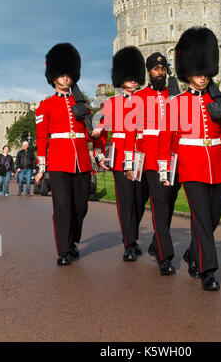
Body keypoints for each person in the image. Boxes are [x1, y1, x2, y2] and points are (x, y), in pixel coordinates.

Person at [157, 27, 221, 290]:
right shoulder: (176, 103)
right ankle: (208, 272)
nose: (202, 76)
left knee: (214, 216)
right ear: (188, 73)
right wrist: (165, 170)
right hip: (190, 165)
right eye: (198, 71)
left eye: (206, 71)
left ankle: (193, 254)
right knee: (202, 219)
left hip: (216, 164)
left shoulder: (216, 101)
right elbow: (166, 138)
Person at [35, 43, 99, 266]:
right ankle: (63, 249)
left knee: (80, 207)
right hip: (59, 161)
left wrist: (95, 132)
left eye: (68, 74)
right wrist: (42, 167)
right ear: (53, 78)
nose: (65, 78)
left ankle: (72, 240)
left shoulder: (81, 103)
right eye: (61, 74)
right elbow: (42, 138)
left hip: (81, 161)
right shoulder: (45, 106)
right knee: (62, 206)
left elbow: (90, 135)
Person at [124, 52, 181, 276]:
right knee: (154, 203)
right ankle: (164, 256)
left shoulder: (174, 95)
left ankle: (158, 244)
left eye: (163, 69)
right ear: (149, 72)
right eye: (156, 69)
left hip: (173, 156)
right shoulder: (138, 97)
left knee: (168, 202)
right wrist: (129, 163)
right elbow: (130, 131)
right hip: (148, 156)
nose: (160, 72)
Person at [94, 46, 146, 262]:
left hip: (142, 157)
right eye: (128, 77)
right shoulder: (111, 103)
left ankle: (132, 235)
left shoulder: (146, 101)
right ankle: (129, 243)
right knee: (125, 201)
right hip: (120, 156)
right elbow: (101, 131)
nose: (133, 81)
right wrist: (99, 154)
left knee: (140, 200)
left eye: (135, 77)